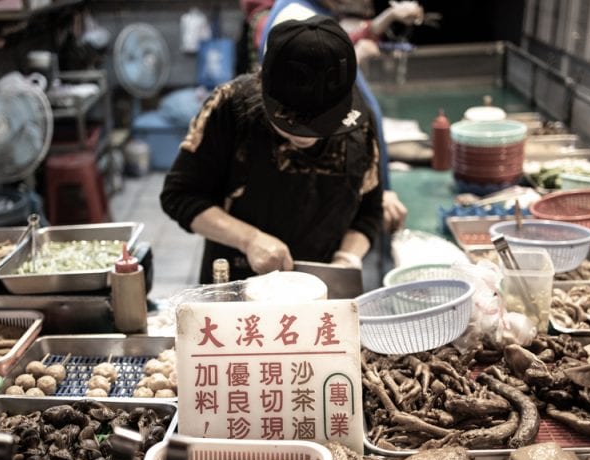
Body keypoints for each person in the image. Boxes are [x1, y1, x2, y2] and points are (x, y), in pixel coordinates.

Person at [161, 15, 383, 283]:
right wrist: (249, 239)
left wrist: (347, 258)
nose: (308, 137)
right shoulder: (232, 107)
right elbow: (180, 196)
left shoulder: (357, 122)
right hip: (238, 284)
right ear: (266, 92)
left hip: (319, 289)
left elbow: (369, 212)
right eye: (295, 123)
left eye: (324, 123)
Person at [258, 0, 422, 234]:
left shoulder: (315, 13)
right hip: (310, 192)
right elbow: (307, 95)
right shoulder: (296, 16)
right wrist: (355, 58)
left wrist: (388, 17)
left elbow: (337, 42)